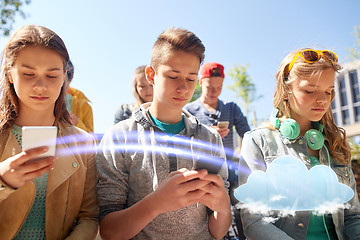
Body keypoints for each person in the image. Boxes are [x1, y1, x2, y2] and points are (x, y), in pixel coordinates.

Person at [96, 27, 232, 239]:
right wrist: (157, 203)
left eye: (190, 78)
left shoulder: (210, 139)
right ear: (151, 75)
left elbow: (219, 231)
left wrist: (223, 208)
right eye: (173, 76)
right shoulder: (119, 138)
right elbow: (109, 231)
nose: (183, 89)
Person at [239, 48, 360, 239]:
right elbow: (254, 220)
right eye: (310, 90)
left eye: (329, 92)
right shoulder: (257, 141)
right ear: (286, 90)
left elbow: (352, 216)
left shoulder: (334, 143)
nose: (322, 100)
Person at [0, 25, 98, 239]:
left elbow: (89, 217)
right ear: (9, 73)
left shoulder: (84, 143)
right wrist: (3, 181)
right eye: (28, 74)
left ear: (64, 76)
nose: (40, 86)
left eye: (52, 76)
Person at [184, 62, 250, 239]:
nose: (214, 91)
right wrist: (208, 132)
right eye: (210, 87)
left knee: (240, 205)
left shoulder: (230, 108)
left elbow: (247, 133)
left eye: (219, 87)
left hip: (230, 170)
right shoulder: (188, 111)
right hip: (201, 172)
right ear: (200, 83)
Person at [63, 60, 94, 133]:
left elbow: (92, 140)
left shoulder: (83, 104)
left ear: (71, 79)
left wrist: (77, 124)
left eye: (63, 86)